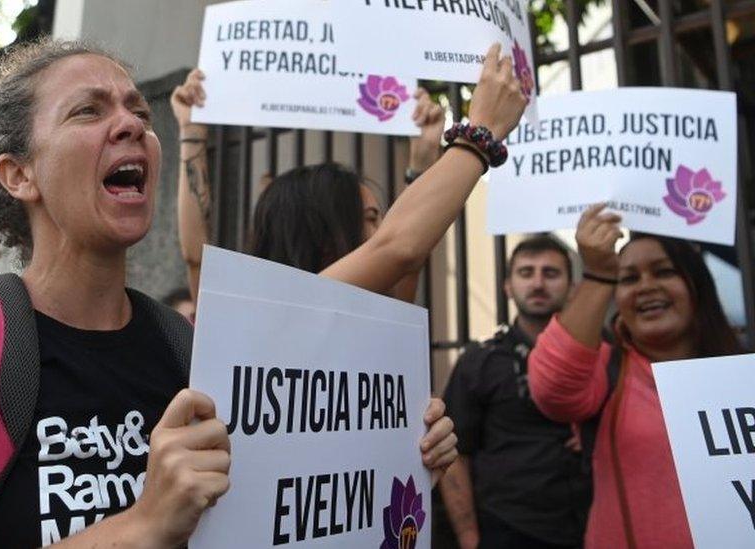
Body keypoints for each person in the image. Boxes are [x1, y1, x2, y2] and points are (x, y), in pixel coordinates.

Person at [0, 38, 460, 548]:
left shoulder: (187, 349)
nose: (132, 125)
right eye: (88, 112)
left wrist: (387, 459)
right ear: (19, 174)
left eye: (139, 112)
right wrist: (142, 524)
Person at [173, 42, 528, 303]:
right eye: (370, 218)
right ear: (320, 232)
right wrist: (480, 134)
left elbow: (409, 253)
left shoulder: (381, 306)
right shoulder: (279, 311)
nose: (384, 228)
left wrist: (421, 162)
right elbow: (400, 247)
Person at [528, 203, 745, 548]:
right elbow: (552, 388)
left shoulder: (742, 374)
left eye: (663, 272)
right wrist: (599, 273)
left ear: (696, 285)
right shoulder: (607, 368)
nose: (646, 286)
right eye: (628, 278)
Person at [440, 236, 591, 549]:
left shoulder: (603, 354)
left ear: (573, 288)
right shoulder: (479, 361)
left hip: (595, 524)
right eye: (526, 273)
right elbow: (454, 455)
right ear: (508, 286)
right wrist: (469, 539)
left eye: (550, 273)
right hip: (507, 528)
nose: (537, 283)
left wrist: (596, 429)